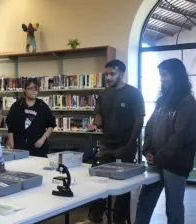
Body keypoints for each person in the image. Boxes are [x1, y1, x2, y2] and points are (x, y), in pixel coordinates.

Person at [83, 60, 145, 224]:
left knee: (124, 185)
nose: (108, 77)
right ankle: (95, 216)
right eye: (106, 74)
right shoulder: (103, 94)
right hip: (106, 145)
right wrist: (94, 125)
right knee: (99, 181)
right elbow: (99, 118)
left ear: (122, 74)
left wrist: (130, 145)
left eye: (112, 74)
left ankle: (119, 218)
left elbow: (139, 121)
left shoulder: (134, 93)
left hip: (127, 144)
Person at [135, 59, 196, 224]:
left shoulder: (188, 101)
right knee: (145, 201)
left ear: (177, 75)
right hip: (156, 160)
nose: (161, 79)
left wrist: (159, 157)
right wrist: (148, 150)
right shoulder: (163, 99)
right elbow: (151, 126)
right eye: (160, 75)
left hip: (175, 164)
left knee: (173, 208)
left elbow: (181, 135)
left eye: (165, 74)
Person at [6, 78, 56, 158]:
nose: (33, 91)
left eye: (36, 89)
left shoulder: (42, 106)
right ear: (24, 90)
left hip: (38, 147)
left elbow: (51, 125)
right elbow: (10, 125)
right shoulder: (17, 105)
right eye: (30, 88)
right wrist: (11, 141)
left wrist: (42, 139)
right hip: (19, 147)